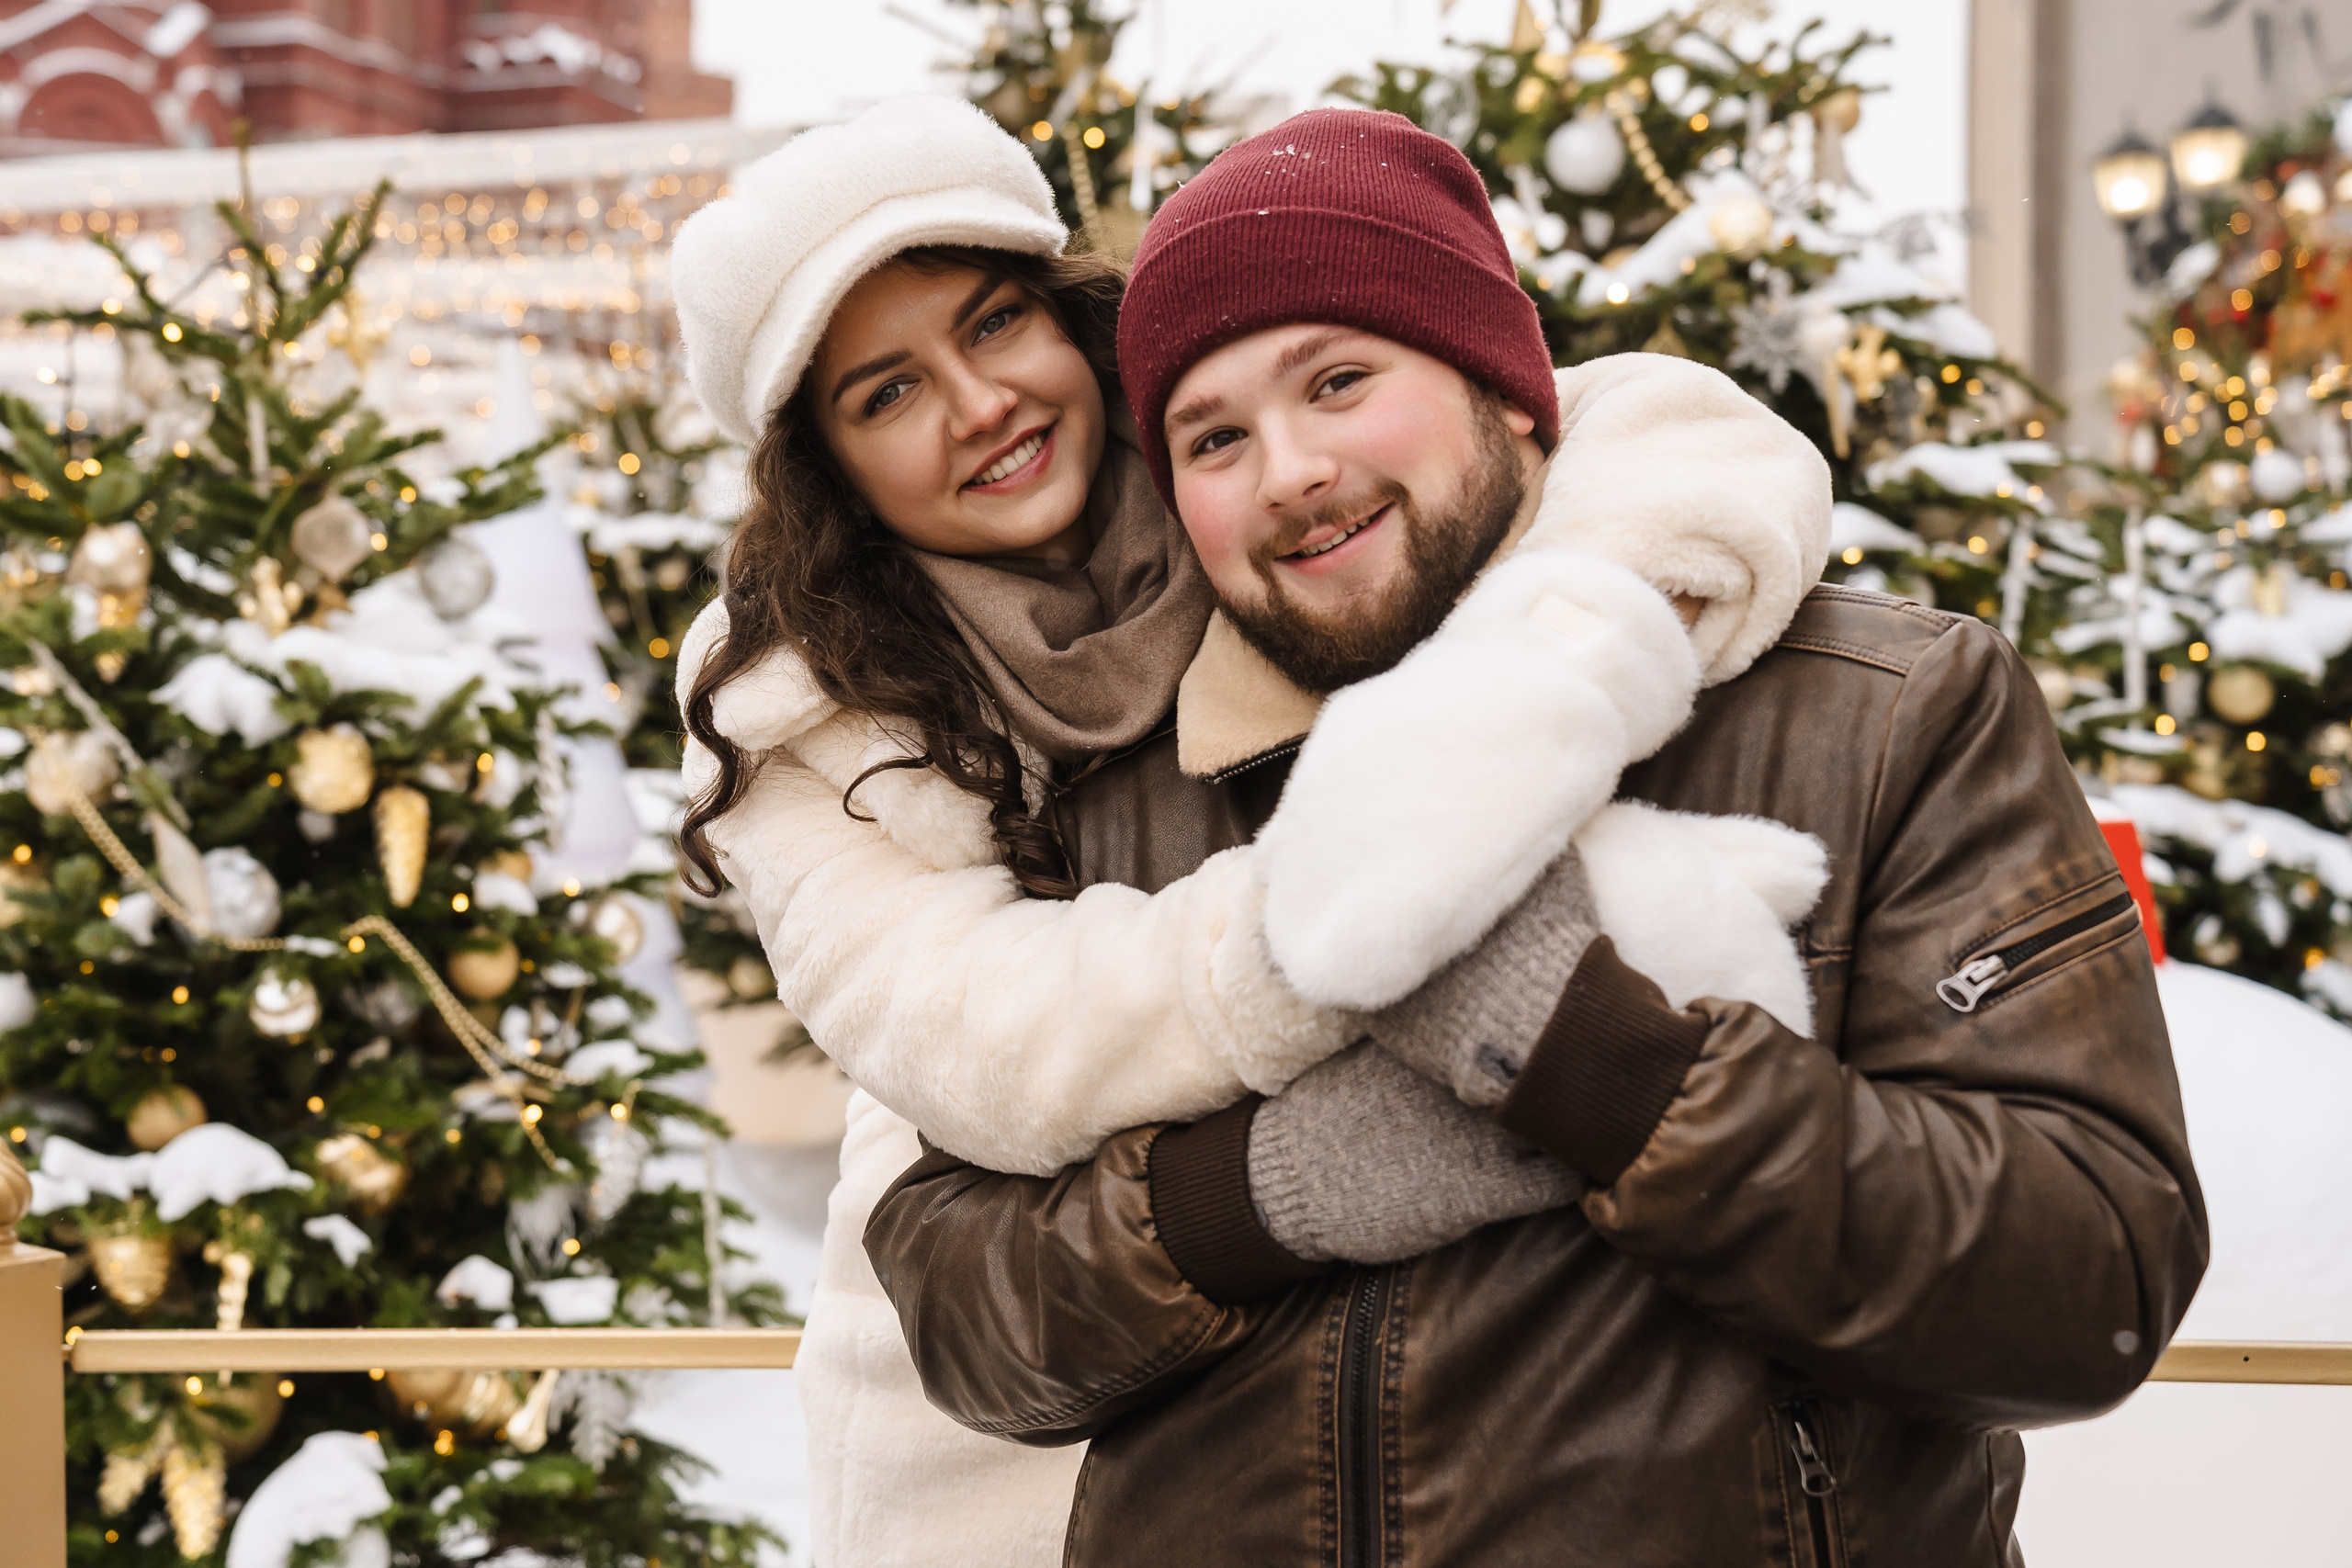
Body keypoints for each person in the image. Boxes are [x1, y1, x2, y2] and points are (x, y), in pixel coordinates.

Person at [859, 109, 2211, 1565]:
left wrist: (1590, 1060)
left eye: (1339, 380)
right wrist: (1263, 1191)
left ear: (1504, 389)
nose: (1289, 470)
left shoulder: (1879, 713)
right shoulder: (1123, 791)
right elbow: (965, 1319)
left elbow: (2088, 1283)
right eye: (1215, 437)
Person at [669, 97, 1840, 1566]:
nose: (980, 405)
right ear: (828, 469)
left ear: (1072, 318)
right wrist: (1369, 914)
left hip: (1324, 1432)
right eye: (887, 393)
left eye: (994, 324)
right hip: (1002, 1407)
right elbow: (989, 1031)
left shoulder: (1235, 478)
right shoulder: (804, 713)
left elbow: (1640, 437)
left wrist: (1570, 665)